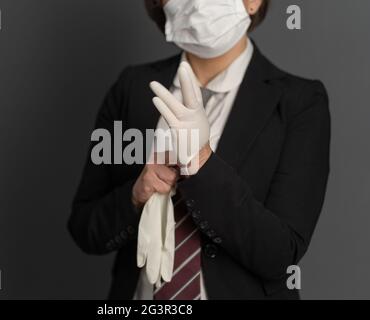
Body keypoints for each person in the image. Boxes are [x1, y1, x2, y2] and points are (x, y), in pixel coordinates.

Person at [69, 0, 330, 300]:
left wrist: (203, 164)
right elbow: (84, 227)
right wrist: (136, 195)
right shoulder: (132, 88)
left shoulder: (300, 103)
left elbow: (281, 253)